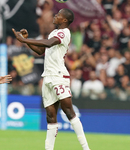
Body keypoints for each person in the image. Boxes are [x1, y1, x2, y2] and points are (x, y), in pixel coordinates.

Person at [12, 8, 90, 150]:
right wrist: (27, 42)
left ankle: (86, 148)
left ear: (65, 20)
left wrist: (24, 39)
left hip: (58, 75)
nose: (55, 15)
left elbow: (48, 44)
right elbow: (41, 50)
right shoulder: (53, 33)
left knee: (69, 111)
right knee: (50, 116)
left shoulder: (64, 32)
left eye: (58, 15)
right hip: (47, 76)